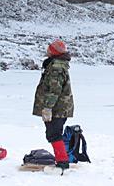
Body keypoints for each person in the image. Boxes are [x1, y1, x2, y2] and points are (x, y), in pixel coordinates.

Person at [33, 39, 75, 170]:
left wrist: (47, 107)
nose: (47, 50)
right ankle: (61, 159)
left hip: (57, 108)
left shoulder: (56, 67)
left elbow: (54, 90)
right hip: (60, 107)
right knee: (53, 133)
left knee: (54, 134)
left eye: (50, 49)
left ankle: (62, 161)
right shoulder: (56, 65)